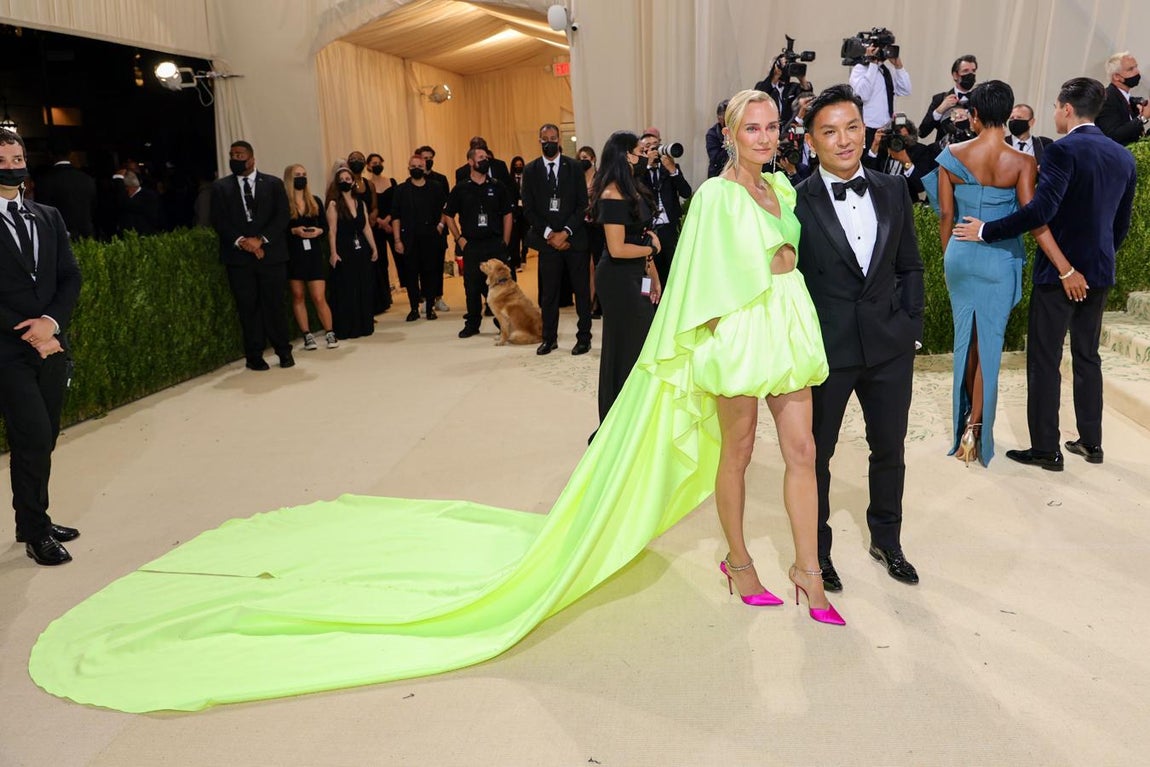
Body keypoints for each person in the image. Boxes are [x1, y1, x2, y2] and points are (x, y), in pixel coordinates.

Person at [29, 92, 847, 715]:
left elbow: (794, 253)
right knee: (735, 451)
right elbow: (702, 274)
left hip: (789, 323)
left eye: (772, 125)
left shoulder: (782, 186)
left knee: (805, 451)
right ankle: (740, 562)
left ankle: (809, 573)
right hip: (741, 331)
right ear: (729, 133)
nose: (765, 135)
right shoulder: (715, 197)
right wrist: (713, 324)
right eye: (752, 126)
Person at [953, 77, 1137, 471]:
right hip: (1099, 272)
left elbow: (1039, 212)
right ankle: (1092, 442)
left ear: (1067, 109)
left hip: (1058, 274)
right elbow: (1121, 225)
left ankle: (1045, 449)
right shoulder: (1123, 157)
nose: (1055, 113)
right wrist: (1096, 262)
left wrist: (986, 230)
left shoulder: (1061, 151)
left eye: (1055, 106)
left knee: (1044, 358)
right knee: (1087, 356)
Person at [794, 84, 925, 593]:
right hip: (827, 350)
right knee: (817, 456)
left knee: (889, 448)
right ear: (811, 141)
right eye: (830, 132)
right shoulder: (794, 199)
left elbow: (910, 265)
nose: (844, 140)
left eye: (852, 127)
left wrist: (910, 326)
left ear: (866, 131)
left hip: (890, 346)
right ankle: (817, 552)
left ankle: (887, 540)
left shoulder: (892, 189)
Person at [924, 80, 1071, 466]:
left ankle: (964, 426)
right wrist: (1064, 266)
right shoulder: (1022, 162)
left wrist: (950, 257)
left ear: (974, 115)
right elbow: (1032, 218)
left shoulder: (951, 155)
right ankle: (974, 429)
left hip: (960, 254)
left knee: (966, 342)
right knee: (988, 344)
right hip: (999, 259)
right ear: (1008, 115)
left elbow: (945, 215)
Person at [0, 128, 83, 566]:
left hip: (51, 344)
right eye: (2, 160)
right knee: (31, 436)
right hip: (7, 350)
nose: (11, 167)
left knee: (45, 436)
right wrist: (30, 331)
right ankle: (36, 532)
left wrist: (50, 324)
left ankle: (31, 519)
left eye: (17, 159)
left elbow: (70, 275)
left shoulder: (47, 215)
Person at [588, 131, 661, 431]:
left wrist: (653, 274)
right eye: (640, 151)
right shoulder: (612, 194)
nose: (645, 156)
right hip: (618, 279)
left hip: (636, 273)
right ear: (625, 156)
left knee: (640, 343)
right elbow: (618, 248)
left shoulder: (633, 188)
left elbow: (641, 236)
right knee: (624, 348)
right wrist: (651, 250)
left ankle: (636, 418)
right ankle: (617, 424)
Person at [210, 140, 294, 371]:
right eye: (232, 155)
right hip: (238, 259)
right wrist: (242, 241)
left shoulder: (273, 184)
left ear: (252, 159)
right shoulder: (221, 187)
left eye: (240, 155)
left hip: (271, 256)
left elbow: (282, 216)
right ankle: (254, 356)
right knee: (248, 308)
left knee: (274, 305)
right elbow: (219, 220)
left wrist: (261, 240)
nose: (235, 159)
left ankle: (283, 352)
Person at [521, 123, 592, 356]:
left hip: (574, 239)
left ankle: (584, 338)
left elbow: (582, 204)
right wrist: (549, 234)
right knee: (549, 294)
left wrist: (566, 232)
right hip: (547, 242)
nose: (550, 142)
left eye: (553, 138)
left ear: (559, 139)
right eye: (545, 139)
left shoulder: (574, 167)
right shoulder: (530, 170)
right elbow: (529, 209)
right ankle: (549, 338)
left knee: (581, 291)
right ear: (539, 141)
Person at [442, 146, 512, 339]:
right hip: (471, 245)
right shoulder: (461, 188)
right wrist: (459, 239)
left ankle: (503, 321)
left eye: (486, 157)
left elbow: (507, 214)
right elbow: (448, 215)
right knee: (472, 286)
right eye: (481, 157)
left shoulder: (497, 186)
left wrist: (505, 241)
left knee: (501, 285)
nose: (485, 160)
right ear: (471, 162)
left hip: (494, 243)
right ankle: (472, 323)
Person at [283, 164, 336, 351]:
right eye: (297, 175)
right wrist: (294, 230)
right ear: (289, 178)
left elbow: (325, 227)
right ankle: (307, 335)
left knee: (319, 296)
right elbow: (279, 230)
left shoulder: (315, 201)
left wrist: (318, 231)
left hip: (313, 254)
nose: (302, 178)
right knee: (298, 295)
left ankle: (330, 332)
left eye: (304, 174)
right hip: (294, 255)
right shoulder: (283, 203)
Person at [391, 154, 448, 322]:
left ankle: (430, 308)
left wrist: (440, 225)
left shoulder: (435, 187)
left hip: (431, 237)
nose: (417, 169)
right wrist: (397, 240)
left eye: (420, 166)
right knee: (411, 274)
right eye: (413, 166)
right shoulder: (401, 190)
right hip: (408, 239)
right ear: (408, 168)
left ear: (425, 168)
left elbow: (445, 209)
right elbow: (396, 216)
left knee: (430, 273)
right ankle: (414, 308)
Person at [325, 166, 378, 340]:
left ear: (353, 181)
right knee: (347, 288)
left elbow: (366, 227)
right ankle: (348, 327)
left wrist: (374, 247)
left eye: (348, 179)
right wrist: (333, 253)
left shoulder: (360, 202)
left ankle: (364, 324)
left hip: (361, 249)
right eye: (341, 180)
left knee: (363, 285)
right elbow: (332, 231)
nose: (345, 182)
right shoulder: (333, 204)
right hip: (344, 249)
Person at [636, 132, 692, 286]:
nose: (653, 149)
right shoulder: (639, 171)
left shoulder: (670, 167)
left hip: (670, 228)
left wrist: (673, 170)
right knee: (652, 274)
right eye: (648, 146)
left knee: (673, 271)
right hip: (649, 229)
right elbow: (635, 191)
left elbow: (686, 192)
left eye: (656, 145)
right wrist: (646, 165)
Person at [862, 113, 939, 202]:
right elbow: (866, 174)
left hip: (905, 201)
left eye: (901, 137)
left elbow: (920, 186)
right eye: (894, 135)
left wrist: (906, 162)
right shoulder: (883, 149)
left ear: (910, 136)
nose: (897, 140)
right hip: (880, 199)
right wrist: (875, 145)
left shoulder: (920, 151)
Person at [849, 44, 911, 146]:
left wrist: (899, 67)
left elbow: (905, 90)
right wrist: (872, 63)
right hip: (868, 129)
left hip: (887, 128)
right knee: (869, 156)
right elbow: (863, 95)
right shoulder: (859, 69)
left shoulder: (887, 70)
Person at [33, 144, 96, 240]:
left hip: (58, 236)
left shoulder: (45, 181)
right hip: (86, 236)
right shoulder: (87, 179)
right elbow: (94, 207)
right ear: (70, 153)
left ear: (50, 154)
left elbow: (42, 213)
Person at [416, 145, 451, 313]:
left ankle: (438, 297)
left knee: (438, 264)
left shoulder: (441, 179)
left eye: (430, 158)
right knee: (423, 265)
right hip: (421, 231)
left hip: (439, 228)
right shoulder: (414, 180)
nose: (428, 161)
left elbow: (447, 205)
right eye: (425, 158)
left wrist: (441, 224)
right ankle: (425, 298)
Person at [919, 55, 979, 144]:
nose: (970, 75)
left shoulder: (980, 100)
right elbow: (922, 132)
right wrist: (939, 111)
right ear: (955, 75)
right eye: (965, 71)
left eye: (973, 71)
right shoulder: (940, 99)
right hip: (945, 149)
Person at [1096, 51, 1150, 145]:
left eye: (1136, 67)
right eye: (1131, 69)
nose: (1137, 71)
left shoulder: (1129, 100)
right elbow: (1113, 135)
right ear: (1116, 76)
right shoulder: (1106, 99)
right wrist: (1142, 118)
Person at [366, 152, 397, 314]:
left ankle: (413, 291)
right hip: (376, 226)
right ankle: (385, 296)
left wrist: (388, 220)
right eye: (374, 163)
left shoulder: (391, 181)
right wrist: (380, 221)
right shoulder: (367, 184)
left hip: (393, 224)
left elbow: (396, 203)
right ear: (368, 166)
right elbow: (367, 207)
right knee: (381, 261)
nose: (377, 165)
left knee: (400, 257)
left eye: (379, 162)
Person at [577, 145, 604, 318]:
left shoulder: (600, 177)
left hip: (597, 225)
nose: (583, 161)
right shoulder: (577, 178)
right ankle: (587, 302)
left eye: (586, 157)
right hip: (582, 226)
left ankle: (598, 302)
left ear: (593, 159)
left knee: (597, 264)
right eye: (580, 158)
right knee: (585, 266)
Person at [507, 155, 528, 273]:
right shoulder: (509, 180)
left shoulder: (527, 178)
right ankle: (516, 260)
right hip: (514, 211)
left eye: (520, 165)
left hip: (525, 211)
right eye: (516, 165)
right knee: (514, 237)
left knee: (525, 235)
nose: (518, 167)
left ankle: (524, 255)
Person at [705, 98, 730, 178]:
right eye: (727, 119)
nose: (730, 122)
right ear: (719, 118)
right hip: (718, 175)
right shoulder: (712, 134)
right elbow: (716, 160)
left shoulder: (741, 131)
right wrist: (729, 142)